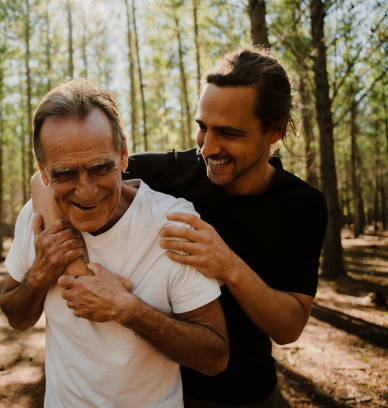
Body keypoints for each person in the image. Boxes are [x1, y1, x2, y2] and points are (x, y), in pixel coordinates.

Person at [0, 79, 229, 408]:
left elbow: (215, 356)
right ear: (43, 171)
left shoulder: (173, 223)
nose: (86, 190)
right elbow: (16, 317)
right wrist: (40, 272)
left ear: (123, 156)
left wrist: (129, 310)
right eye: (65, 173)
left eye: (100, 167)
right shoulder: (35, 218)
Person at [125, 47, 328, 407]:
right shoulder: (169, 175)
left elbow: (288, 327)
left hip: (249, 395)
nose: (208, 147)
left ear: (275, 131)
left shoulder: (303, 205)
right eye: (203, 128)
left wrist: (228, 265)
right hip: (162, 394)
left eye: (229, 133)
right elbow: (56, 176)